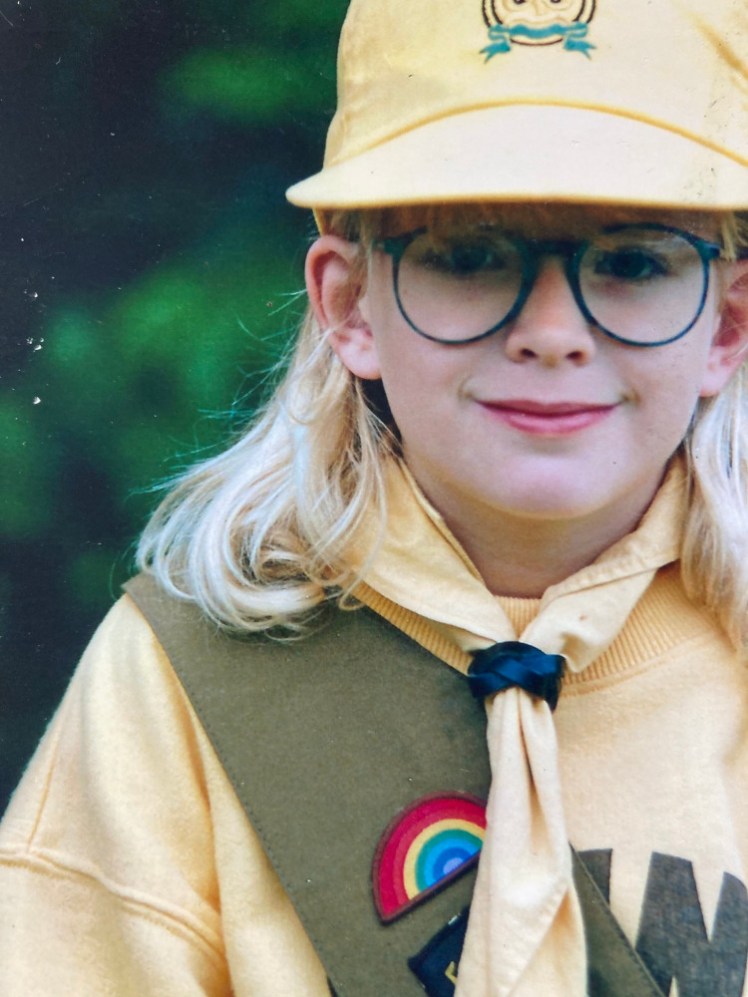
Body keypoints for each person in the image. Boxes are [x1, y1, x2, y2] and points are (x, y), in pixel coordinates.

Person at [2, 0, 748, 993]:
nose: (554, 330)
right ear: (350, 304)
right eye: (473, 255)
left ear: (727, 324)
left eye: (630, 262)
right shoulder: (182, 677)